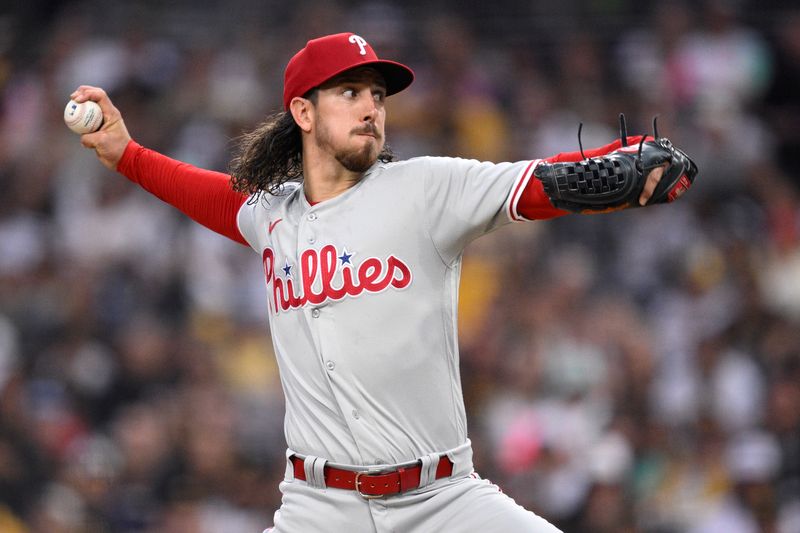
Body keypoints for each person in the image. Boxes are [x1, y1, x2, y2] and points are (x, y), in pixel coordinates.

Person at [72, 32, 694, 532]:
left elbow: (538, 181)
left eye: (378, 93)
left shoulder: (423, 190)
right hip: (320, 508)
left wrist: (638, 153)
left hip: (444, 502)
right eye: (350, 92)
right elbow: (207, 194)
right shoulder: (272, 215)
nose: (372, 106)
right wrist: (126, 153)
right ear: (303, 112)